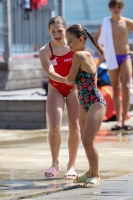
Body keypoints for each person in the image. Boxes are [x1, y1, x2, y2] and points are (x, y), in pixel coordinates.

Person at [47, 23, 107, 188]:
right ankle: (89, 171)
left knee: (87, 140)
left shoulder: (80, 55)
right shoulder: (84, 53)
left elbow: (71, 79)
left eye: (71, 41)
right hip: (84, 103)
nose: (69, 45)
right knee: (86, 140)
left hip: (95, 103)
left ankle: (96, 175)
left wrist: (55, 78)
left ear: (81, 39)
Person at [39, 16, 80, 179]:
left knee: (74, 125)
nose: (57, 34)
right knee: (54, 125)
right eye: (53, 32)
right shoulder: (45, 50)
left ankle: (71, 166)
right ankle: (55, 163)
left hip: (74, 89)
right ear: (49, 32)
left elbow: (90, 64)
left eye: (60, 31)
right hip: (55, 88)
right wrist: (64, 80)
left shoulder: (75, 47)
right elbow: (49, 72)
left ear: (66, 30)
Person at [94, 0, 133, 131]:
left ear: (122, 8)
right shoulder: (106, 23)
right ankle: (119, 121)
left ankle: (125, 119)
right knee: (116, 89)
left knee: (126, 87)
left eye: (119, 7)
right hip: (112, 57)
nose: (116, 9)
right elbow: (96, 39)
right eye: (114, 7)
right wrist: (102, 51)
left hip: (125, 55)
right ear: (110, 8)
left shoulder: (127, 22)